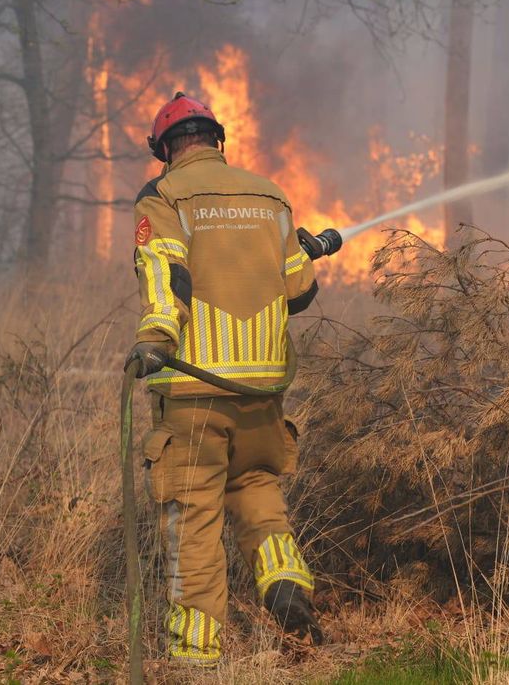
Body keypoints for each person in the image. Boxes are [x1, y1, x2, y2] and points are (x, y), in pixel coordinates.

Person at [126, 92, 325, 667]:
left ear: (166, 149)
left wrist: (156, 340)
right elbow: (300, 292)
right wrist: (302, 251)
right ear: (217, 139)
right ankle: (284, 581)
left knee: (193, 512)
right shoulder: (271, 195)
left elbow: (166, 272)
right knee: (258, 485)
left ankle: (195, 654)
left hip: (194, 389)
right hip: (262, 388)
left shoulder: (162, 195)